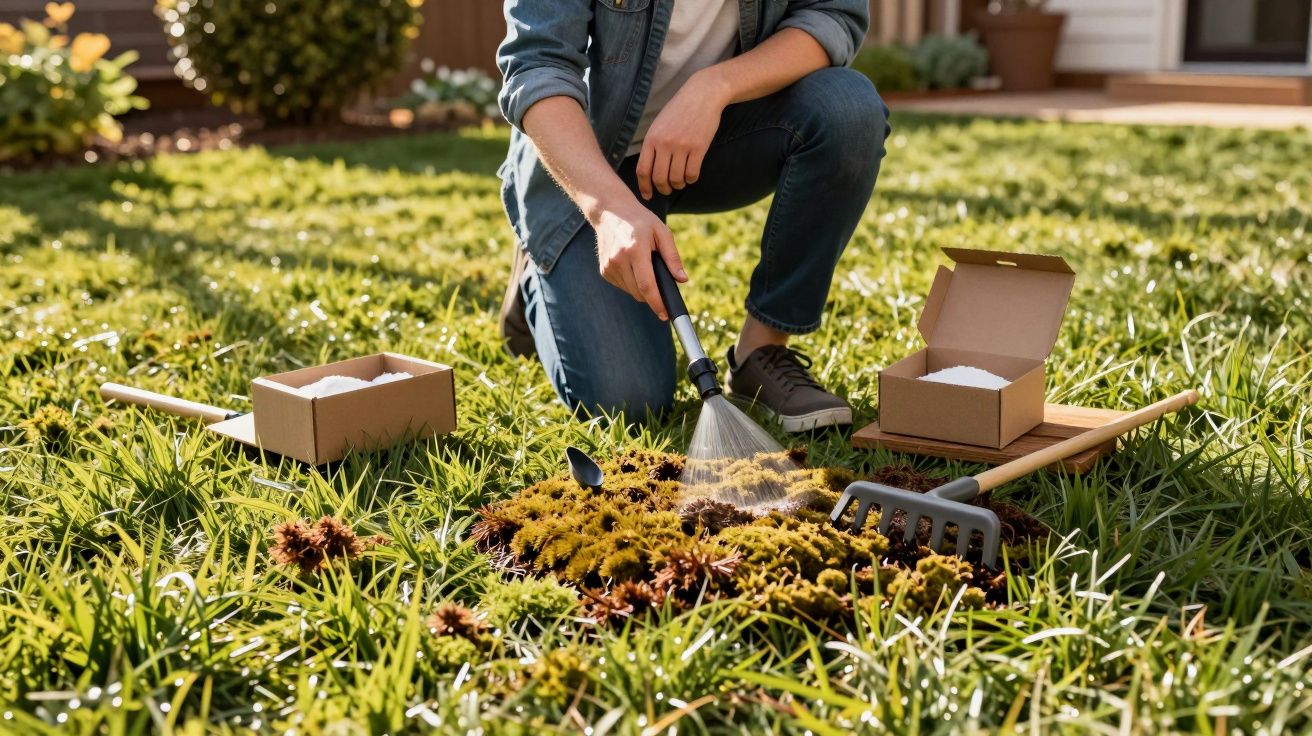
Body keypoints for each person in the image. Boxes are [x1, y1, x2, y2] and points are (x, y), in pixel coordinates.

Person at [496, 0, 888, 432]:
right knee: (630, 403)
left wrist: (715, 87)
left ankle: (761, 352)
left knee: (848, 111)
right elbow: (537, 65)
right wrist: (608, 210)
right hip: (589, 160)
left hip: (712, 137)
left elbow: (832, 15)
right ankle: (538, 266)